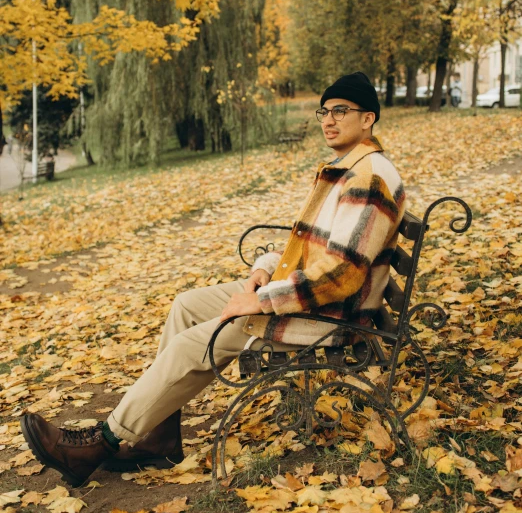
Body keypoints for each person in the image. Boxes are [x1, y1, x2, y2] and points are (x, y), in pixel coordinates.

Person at [20, 72, 406, 488]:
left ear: (368, 119)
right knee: (186, 305)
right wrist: (266, 266)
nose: (329, 120)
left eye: (341, 112)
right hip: (308, 297)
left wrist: (262, 301)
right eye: (324, 111)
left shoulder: (369, 177)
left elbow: (343, 273)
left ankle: (102, 442)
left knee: (193, 345)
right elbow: (315, 249)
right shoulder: (348, 168)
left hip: (330, 316)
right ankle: (159, 438)